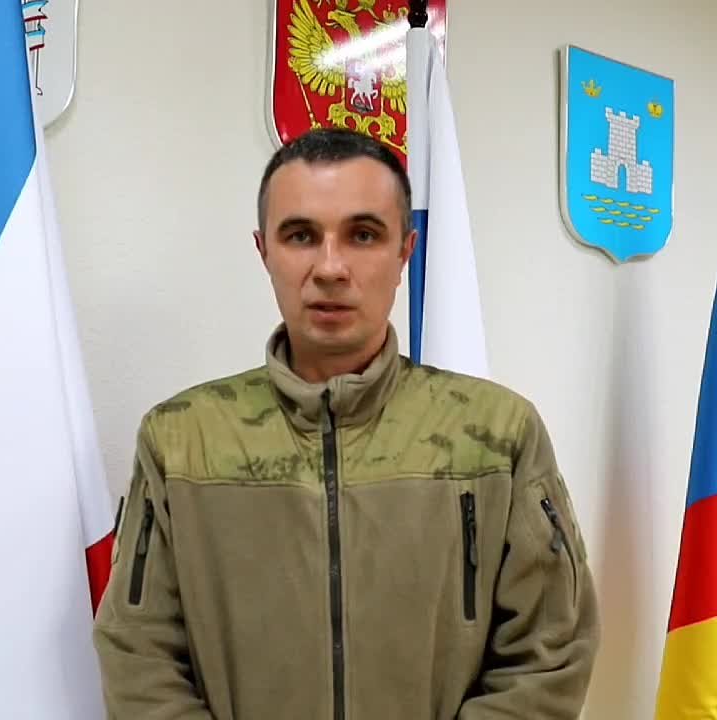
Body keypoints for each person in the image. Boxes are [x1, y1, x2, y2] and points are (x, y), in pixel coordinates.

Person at [92, 127, 600, 719]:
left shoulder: (498, 435)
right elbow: (138, 655)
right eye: (301, 236)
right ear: (263, 251)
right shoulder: (182, 440)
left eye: (362, 235)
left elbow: (550, 655)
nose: (330, 267)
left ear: (405, 251)